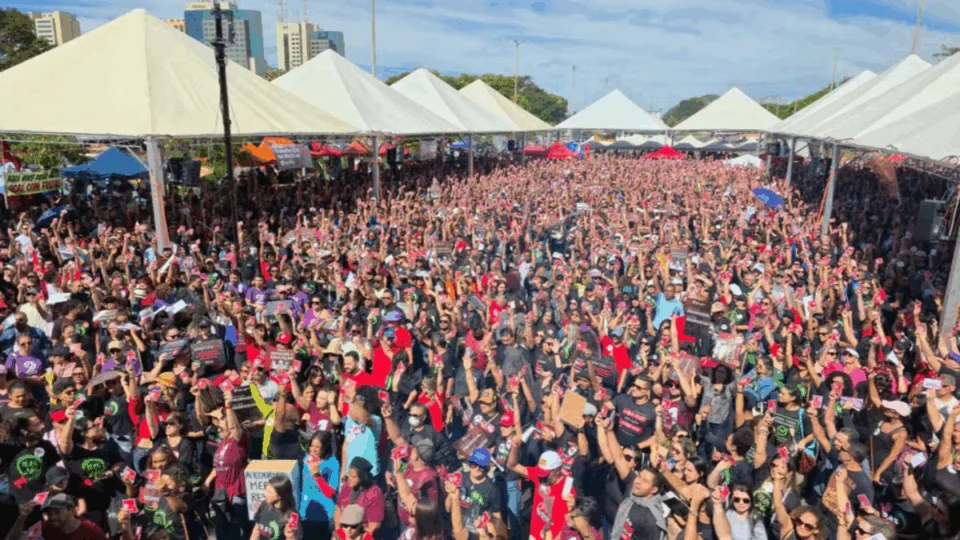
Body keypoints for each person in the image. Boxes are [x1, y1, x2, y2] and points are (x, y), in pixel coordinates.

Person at [335, 457, 385, 537]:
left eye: (354, 477)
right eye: (349, 475)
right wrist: (340, 534)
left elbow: (373, 526)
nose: (349, 479)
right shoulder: (346, 487)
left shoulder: (374, 493)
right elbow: (338, 509)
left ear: (363, 478)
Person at [41, 493, 107, 540]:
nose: (52, 517)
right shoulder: (45, 528)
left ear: (72, 511)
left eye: (57, 512)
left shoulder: (92, 531)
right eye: (49, 513)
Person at [251, 475, 297, 540]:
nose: (265, 494)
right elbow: (256, 530)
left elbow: (291, 537)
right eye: (266, 490)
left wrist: (290, 535)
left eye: (269, 492)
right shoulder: (264, 504)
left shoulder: (293, 516)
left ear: (279, 496)